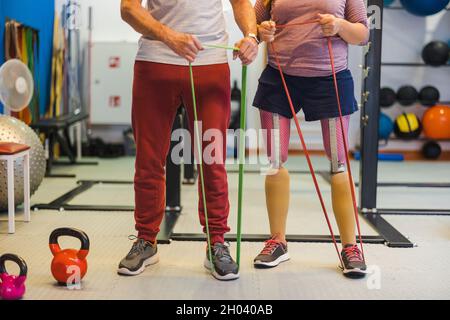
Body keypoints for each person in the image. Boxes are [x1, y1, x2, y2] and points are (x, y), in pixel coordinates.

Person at [118, 0, 258, 281]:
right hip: (155, 62)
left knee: (211, 159)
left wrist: (251, 36)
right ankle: (146, 240)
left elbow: (242, 2)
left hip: (210, 65)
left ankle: (216, 242)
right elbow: (129, 9)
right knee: (149, 159)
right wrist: (169, 36)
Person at [252, 0, 369, 278]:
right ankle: (277, 241)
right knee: (274, 160)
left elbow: (362, 35)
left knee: (339, 163)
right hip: (279, 77)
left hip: (331, 77)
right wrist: (261, 31)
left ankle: (350, 247)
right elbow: (253, 28)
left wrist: (340, 26)